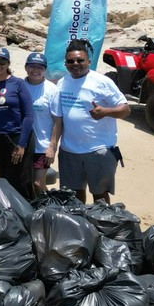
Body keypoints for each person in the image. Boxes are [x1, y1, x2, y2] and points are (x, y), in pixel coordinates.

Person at [49, 39, 131, 204]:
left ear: (89, 61)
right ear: (65, 64)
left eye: (80, 60)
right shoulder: (63, 83)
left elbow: (125, 109)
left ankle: (101, 227)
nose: (76, 64)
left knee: (100, 196)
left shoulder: (102, 82)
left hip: (98, 150)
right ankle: (81, 226)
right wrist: (53, 146)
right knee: (74, 197)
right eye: (71, 61)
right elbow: (58, 119)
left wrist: (106, 112)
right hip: (69, 151)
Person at [0, 46, 35, 200]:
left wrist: (22, 145)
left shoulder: (18, 83)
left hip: (17, 136)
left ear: (8, 64)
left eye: (2, 61)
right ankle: (13, 216)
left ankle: (30, 213)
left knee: (21, 181)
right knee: (5, 180)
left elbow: (29, 115)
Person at [24, 51, 60, 197]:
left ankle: (49, 210)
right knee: (24, 182)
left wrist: (52, 147)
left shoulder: (52, 89)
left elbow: (58, 121)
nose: (35, 70)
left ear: (45, 69)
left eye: (40, 67)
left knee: (38, 183)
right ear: (26, 67)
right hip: (22, 146)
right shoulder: (19, 85)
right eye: (32, 66)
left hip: (42, 146)